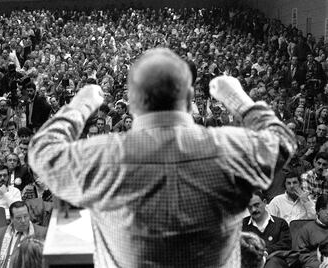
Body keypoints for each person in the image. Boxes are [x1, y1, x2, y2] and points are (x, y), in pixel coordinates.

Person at [28, 48, 296, 267]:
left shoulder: (102, 155)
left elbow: (42, 151)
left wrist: (82, 104)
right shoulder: (230, 149)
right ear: (191, 99)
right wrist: (235, 98)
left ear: (131, 102)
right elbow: (283, 142)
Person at [0, 201, 47, 268]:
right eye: (18, 218)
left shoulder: (42, 232)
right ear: (11, 219)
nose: (23, 221)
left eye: (25, 216)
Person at [242, 191, 291, 268]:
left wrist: (266, 252)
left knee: (273, 263)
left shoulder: (280, 223)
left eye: (256, 205)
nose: (253, 210)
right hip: (250, 262)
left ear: (265, 202)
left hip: (274, 261)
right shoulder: (242, 225)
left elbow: (285, 244)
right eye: (250, 207)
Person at [296, 194, 328, 268]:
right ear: (318, 211)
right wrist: (320, 265)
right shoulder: (306, 229)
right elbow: (302, 255)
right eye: (325, 209)